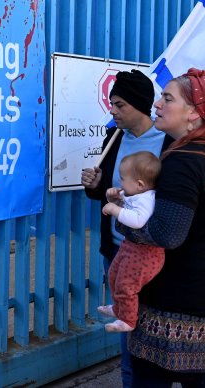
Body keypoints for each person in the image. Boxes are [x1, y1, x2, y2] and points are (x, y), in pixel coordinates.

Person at [118, 68, 205, 388]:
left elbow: (167, 234)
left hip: (176, 303)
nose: (157, 105)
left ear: (193, 113)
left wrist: (125, 218)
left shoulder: (184, 159)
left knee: (150, 380)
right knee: (197, 379)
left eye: (167, 98)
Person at [81, 69, 173, 388]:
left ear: (138, 104)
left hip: (152, 258)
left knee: (151, 343)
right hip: (118, 252)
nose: (113, 111)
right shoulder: (114, 138)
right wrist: (93, 186)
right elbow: (107, 191)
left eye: (119, 104)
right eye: (111, 103)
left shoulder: (168, 142)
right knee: (127, 341)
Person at [97, 151, 164, 333]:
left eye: (123, 179)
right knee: (113, 274)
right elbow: (127, 205)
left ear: (140, 184)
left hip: (144, 254)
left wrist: (114, 209)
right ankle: (118, 308)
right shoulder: (137, 194)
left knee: (127, 285)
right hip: (130, 247)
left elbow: (138, 221)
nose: (120, 182)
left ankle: (127, 320)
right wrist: (116, 200)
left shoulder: (147, 199)